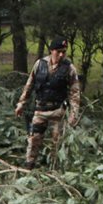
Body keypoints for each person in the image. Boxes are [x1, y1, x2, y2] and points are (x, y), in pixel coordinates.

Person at [14, 37, 81, 169]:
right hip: (40, 110)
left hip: (58, 111)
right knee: (33, 140)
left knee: (57, 143)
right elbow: (30, 84)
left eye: (64, 51)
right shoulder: (40, 64)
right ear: (51, 51)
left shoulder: (69, 68)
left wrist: (74, 114)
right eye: (58, 51)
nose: (61, 54)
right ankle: (29, 167)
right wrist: (21, 103)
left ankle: (54, 169)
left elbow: (75, 93)